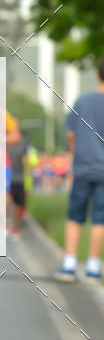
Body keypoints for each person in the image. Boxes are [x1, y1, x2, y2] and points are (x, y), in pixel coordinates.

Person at [55, 57, 104, 283]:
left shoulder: (83, 100)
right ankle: (93, 266)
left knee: (75, 216)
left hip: (83, 168)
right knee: (99, 219)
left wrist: (76, 154)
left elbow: (71, 134)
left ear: (97, 73)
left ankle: (69, 263)